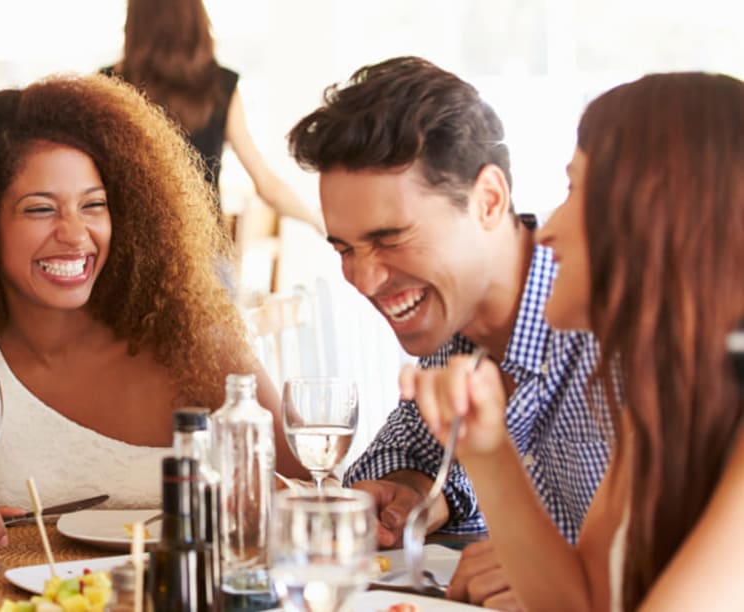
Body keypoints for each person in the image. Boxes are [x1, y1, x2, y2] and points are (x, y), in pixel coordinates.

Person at [0, 74, 309, 550]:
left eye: (94, 205)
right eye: (40, 209)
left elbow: (312, 492)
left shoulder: (195, 344)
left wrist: (260, 501)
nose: (75, 234)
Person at [404, 72, 744, 609]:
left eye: (575, 189)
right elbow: (579, 602)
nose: (551, 227)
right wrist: (487, 451)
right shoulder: (659, 396)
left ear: (653, 215)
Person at [288, 56, 609, 606]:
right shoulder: (451, 326)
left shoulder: (612, 328)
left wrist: (566, 572)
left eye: (389, 238)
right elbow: (408, 450)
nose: (363, 279)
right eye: (345, 248)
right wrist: (413, 490)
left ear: (488, 201)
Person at [103, 0, 324, 235]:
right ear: (196, 24)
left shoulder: (106, 85)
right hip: (204, 252)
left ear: (134, 23)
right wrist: (316, 220)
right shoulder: (221, 86)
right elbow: (266, 185)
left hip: (129, 249)